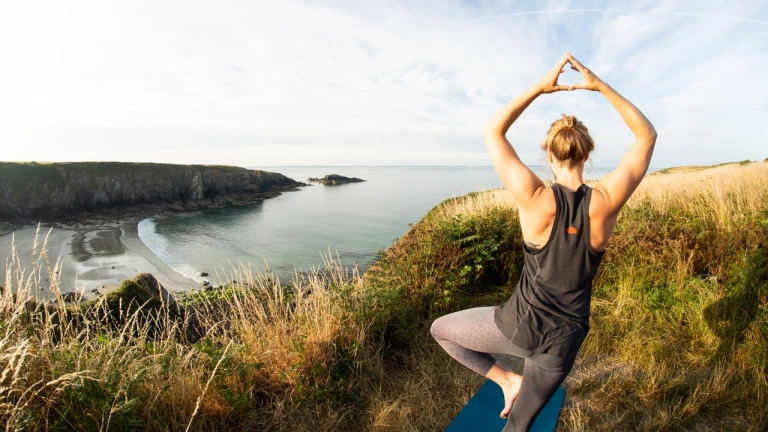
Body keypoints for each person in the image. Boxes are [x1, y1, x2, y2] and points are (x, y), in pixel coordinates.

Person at [429, 53, 657, 431]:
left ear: (548, 155)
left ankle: (506, 380)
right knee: (519, 426)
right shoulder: (604, 203)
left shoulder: (534, 198)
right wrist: (599, 85)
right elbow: (647, 135)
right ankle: (513, 386)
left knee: (441, 330)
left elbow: (492, 131)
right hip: (565, 340)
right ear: (587, 154)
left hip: (518, 326)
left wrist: (540, 87)